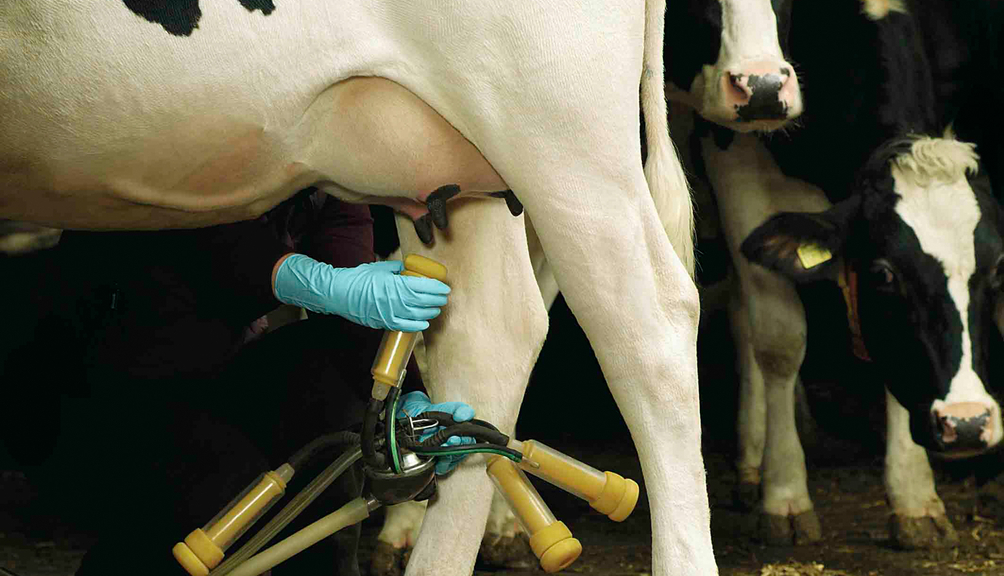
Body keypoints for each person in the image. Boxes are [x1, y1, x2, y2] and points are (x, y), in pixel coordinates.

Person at [1, 189, 472, 576]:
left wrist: (406, 404)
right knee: (218, 502)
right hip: (105, 393)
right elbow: (205, 243)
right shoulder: (195, 151)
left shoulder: (328, 187)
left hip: (211, 378)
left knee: (325, 389)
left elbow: (349, 304)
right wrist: (314, 282)